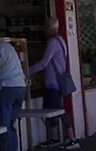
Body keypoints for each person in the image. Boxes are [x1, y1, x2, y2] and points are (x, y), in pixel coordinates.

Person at [28, 17, 79, 149]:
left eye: (45, 27)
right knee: (50, 111)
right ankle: (54, 138)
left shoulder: (52, 42)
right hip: (56, 81)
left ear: (49, 28)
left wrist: (26, 70)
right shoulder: (61, 40)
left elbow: (44, 62)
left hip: (53, 83)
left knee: (59, 111)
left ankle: (72, 139)